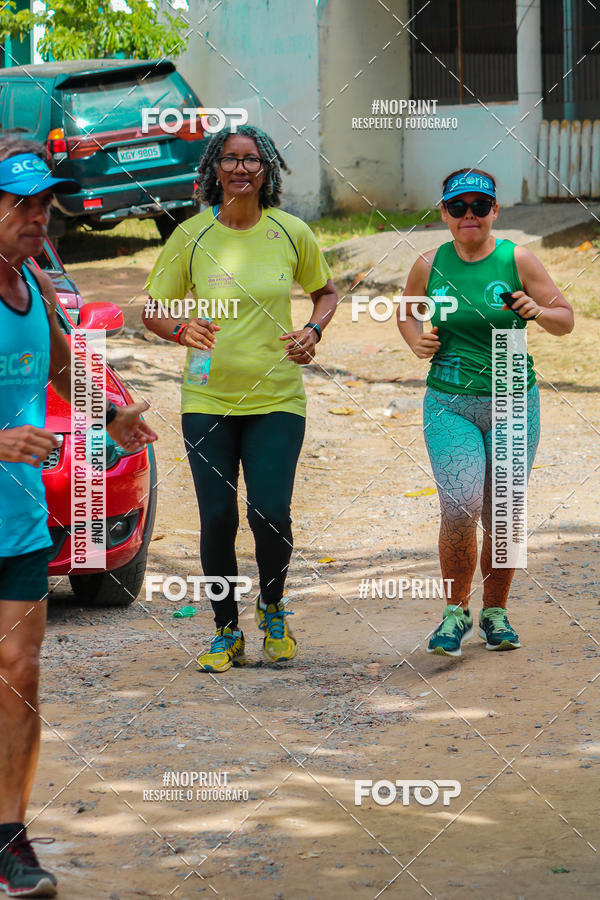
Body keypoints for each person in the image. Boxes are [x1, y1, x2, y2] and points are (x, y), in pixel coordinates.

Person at [0, 138, 158, 897]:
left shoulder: (33, 281)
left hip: (20, 523)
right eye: (20, 204)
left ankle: (10, 840)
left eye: (44, 204)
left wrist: (112, 417)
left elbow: (64, 365)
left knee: (20, 673)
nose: (38, 217)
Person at [143, 124, 337, 672]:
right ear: (214, 169)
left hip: (277, 397)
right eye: (229, 159)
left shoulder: (291, 232)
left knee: (270, 513)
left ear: (267, 170)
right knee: (217, 517)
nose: (240, 169)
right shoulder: (191, 235)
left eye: (252, 160)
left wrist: (313, 331)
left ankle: (272, 606)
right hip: (207, 399)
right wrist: (180, 329)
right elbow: (153, 308)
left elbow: (326, 291)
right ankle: (226, 630)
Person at [398, 168, 573, 657]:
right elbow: (406, 311)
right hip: (449, 402)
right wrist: (417, 341)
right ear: (444, 213)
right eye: (458, 207)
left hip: (513, 399)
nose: (469, 215)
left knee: (504, 510)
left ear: (495, 210)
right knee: (460, 504)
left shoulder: (517, 259)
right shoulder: (428, 264)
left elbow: (565, 320)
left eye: (479, 206)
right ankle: (455, 614)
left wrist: (539, 312)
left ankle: (495, 612)